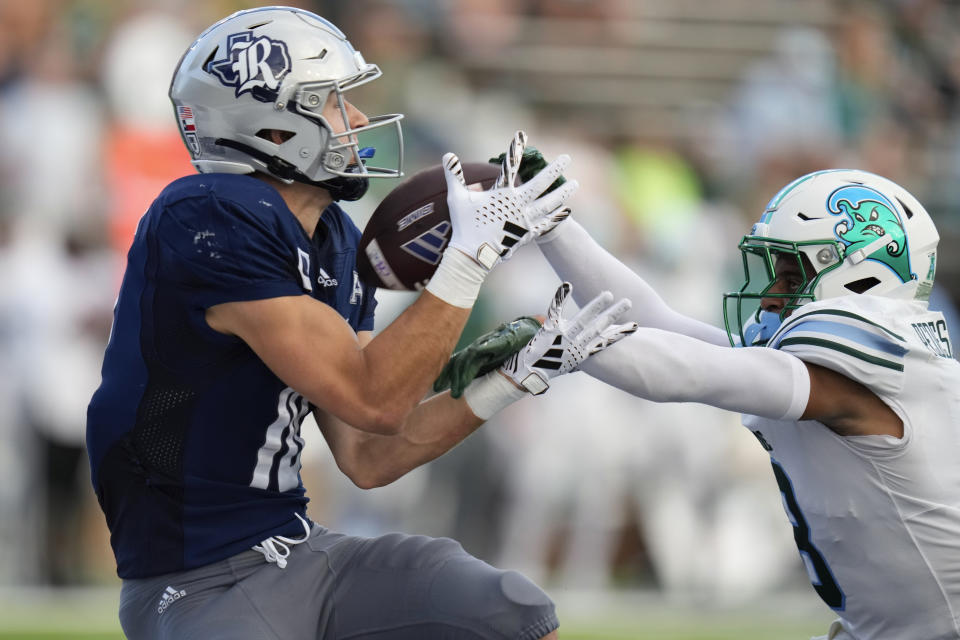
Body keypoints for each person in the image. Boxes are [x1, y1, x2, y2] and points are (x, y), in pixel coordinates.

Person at [85, 7, 636, 640]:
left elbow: (371, 454)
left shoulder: (334, 238)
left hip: (299, 551)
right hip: (198, 586)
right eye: (333, 104)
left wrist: (512, 379)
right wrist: (470, 255)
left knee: (508, 608)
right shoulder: (207, 216)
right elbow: (371, 399)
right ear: (269, 124)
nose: (359, 121)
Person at [528, 168, 958, 639]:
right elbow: (653, 321)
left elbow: (687, 372)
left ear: (863, 277)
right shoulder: (846, 370)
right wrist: (553, 224)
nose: (773, 295)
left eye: (791, 275)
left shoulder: (864, 376)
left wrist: (558, 341)